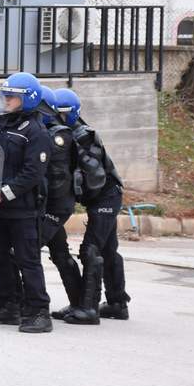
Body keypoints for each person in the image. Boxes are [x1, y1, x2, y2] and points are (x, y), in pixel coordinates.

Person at [0, 72, 52, 333]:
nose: (7, 100)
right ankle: (6, 304)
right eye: (6, 95)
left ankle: (38, 311)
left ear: (28, 100)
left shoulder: (36, 132)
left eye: (12, 97)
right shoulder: (0, 125)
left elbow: (33, 173)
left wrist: (5, 192)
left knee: (28, 260)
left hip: (23, 209)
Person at [58, 88, 131, 323]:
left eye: (63, 113)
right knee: (108, 250)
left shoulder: (84, 136)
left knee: (91, 249)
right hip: (97, 199)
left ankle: (88, 308)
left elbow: (94, 179)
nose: (58, 118)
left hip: (106, 197)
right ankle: (117, 303)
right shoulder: (66, 134)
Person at [35, 87, 82, 321]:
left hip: (55, 206)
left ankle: (32, 303)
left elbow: (55, 180)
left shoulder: (58, 136)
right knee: (60, 253)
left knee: (28, 250)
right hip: (49, 205)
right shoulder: (45, 131)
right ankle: (79, 302)